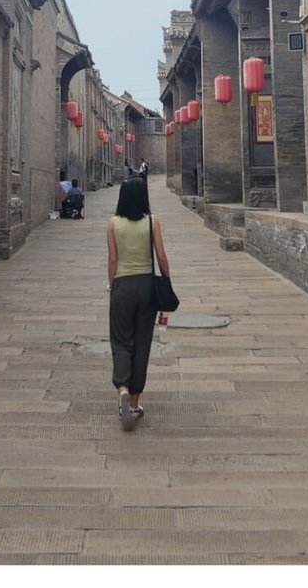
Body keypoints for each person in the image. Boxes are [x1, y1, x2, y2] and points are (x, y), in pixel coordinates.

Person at [106, 172, 169, 431]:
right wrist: (166, 280)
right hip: (146, 287)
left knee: (121, 341)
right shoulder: (153, 222)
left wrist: (113, 286)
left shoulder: (112, 223)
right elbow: (161, 257)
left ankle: (121, 387)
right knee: (142, 343)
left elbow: (112, 260)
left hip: (122, 286)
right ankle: (133, 404)